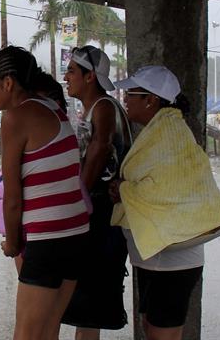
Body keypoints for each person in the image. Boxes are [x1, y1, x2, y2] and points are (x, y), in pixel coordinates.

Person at [110, 65, 220, 340]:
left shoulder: (168, 135)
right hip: (155, 257)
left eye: (131, 94)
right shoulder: (162, 132)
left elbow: (163, 192)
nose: (125, 99)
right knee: (151, 326)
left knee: (163, 333)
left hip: (172, 261)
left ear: (151, 100)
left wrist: (123, 188)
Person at [0, 46, 89, 340]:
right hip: (76, 232)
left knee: (27, 334)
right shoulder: (53, 108)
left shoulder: (15, 117)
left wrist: (14, 245)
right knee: (49, 328)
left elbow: (13, 196)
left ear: (8, 83)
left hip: (47, 238)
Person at [61, 46, 131, 339]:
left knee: (91, 296)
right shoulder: (95, 107)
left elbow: (100, 149)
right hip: (97, 209)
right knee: (88, 306)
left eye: (72, 72)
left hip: (102, 214)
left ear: (90, 76)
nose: (67, 77)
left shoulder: (103, 106)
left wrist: (79, 198)